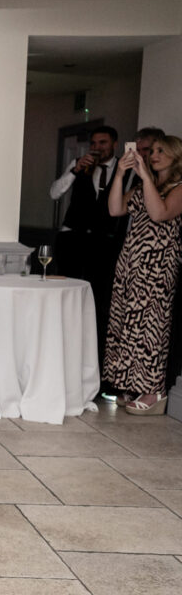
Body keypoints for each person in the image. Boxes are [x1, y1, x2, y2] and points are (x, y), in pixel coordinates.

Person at [104, 136, 182, 415]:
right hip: (131, 262)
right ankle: (132, 383)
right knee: (127, 322)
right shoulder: (142, 184)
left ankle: (154, 391)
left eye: (161, 151)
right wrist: (121, 173)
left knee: (151, 326)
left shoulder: (178, 188)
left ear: (175, 155)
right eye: (153, 151)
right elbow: (115, 209)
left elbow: (159, 213)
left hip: (158, 266)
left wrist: (146, 177)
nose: (154, 155)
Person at [50, 125, 120, 362]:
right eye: (94, 143)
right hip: (72, 239)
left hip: (103, 244)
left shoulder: (124, 169)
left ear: (114, 144)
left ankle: (93, 357)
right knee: (67, 296)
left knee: (99, 301)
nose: (97, 148)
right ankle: (63, 350)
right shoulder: (78, 163)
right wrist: (74, 171)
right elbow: (54, 193)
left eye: (103, 143)